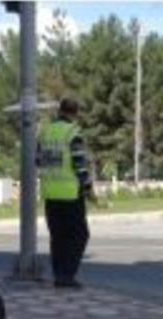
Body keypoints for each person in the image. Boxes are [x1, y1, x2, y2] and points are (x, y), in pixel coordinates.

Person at [37, 98, 96, 289]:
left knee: (58, 236)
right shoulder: (73, 133)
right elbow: (79, 164)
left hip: (50, 193)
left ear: (60, 111)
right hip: (70, 194)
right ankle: (67, 275)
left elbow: (37, 161)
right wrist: (87, 189)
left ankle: (58, 275)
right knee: (79, 235)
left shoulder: (45, 132)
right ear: (75, 113)